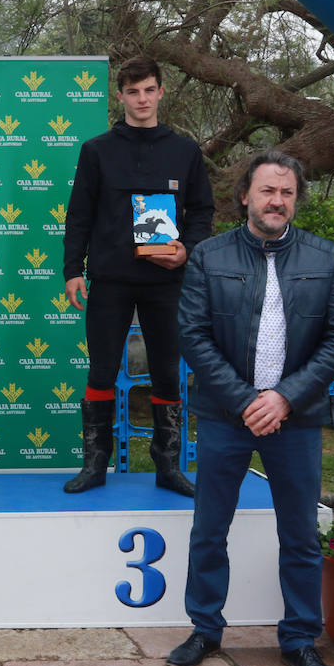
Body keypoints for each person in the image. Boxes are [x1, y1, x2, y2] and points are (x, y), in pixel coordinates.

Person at [166, 149, 334, 666]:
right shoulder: (208, 256)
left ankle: (299, 640)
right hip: (227, 416)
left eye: (287, 192)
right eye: (268, 190)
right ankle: (205, 629)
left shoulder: (326, 258)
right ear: (245, 196)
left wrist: (286, 398)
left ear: (296, 199)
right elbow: (193, 336)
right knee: (209, 530)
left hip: (295, 419)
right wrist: (248, 400)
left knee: (300, 536)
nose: (277, 201)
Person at [61, 56, 214, 496]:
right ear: (121, 96)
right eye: (133, 91)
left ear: (161, 91)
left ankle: (168, 466)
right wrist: (74, 270)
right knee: (102, 371)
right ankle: (95, 465)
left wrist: (189, 248)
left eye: (149, 90)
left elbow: (202, 211)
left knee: (167, 373)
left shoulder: (184, 150)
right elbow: (79, 216)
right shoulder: (97, 149)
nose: (142, 99)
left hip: (167, 280)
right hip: (109, 278)